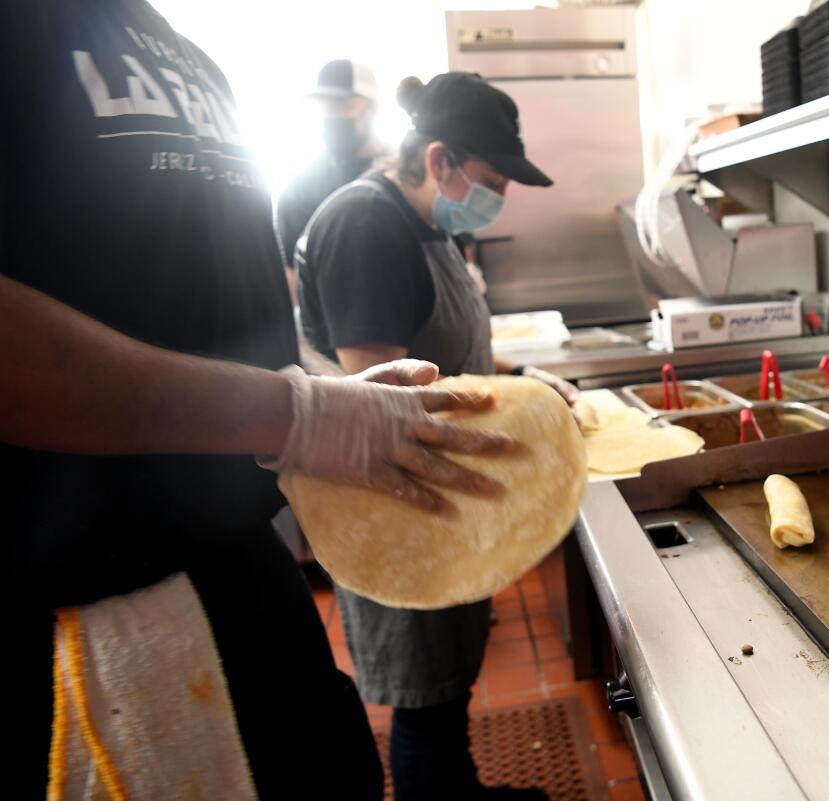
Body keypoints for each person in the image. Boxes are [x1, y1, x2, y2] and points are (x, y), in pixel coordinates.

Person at [3, 5, 513, 798]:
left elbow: (218, 305)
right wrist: (295, 413)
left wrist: (315, 404)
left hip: (247, 576)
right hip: (86, 625)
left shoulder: (188, 56)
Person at [297, 72, 578, 801]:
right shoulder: (364, 228)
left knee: (449, 679)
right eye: (492, 180)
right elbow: (385, 399)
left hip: (441, 485)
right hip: (398, 498)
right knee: (423, 693)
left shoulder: (424, 221)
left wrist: (526, 380)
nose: (499, 199)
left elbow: (447, 344)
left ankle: (461, 790)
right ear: (440, 159)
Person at [275, 59, 386, 304]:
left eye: (344, 106)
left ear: (371, 108)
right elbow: (291, 271)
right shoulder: (301, 183)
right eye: (326, 107)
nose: (333, 117)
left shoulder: (398, 171)